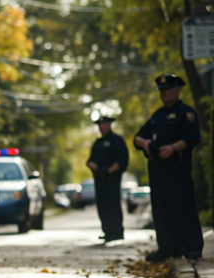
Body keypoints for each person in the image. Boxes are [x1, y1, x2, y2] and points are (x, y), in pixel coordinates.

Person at [134, 74, 203, 261]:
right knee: (161, 210)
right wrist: (146, 143)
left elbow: (192, 137)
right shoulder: (157, 116)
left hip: (177, 167)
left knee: (183, 207)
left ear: (177, 90)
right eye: (162, 90)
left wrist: (173, 148)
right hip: (157, 170)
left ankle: (192, 247)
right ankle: (167, 248)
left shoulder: (186, 113)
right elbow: (137, 137)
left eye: (168, 90)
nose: (164, 93)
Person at [87, 116, 128, 242]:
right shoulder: (97, 143)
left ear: (109, 125)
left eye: (104, 124)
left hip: (112, 179)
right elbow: (90, 160)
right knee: (102, 205)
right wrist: (93, 166)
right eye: (100, 125)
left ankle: (117, 232)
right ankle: (107, 231)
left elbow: (122, 159)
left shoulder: (117, 140)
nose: (102, 127)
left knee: (113, 204)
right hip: (100, 180)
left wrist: (110, 170)